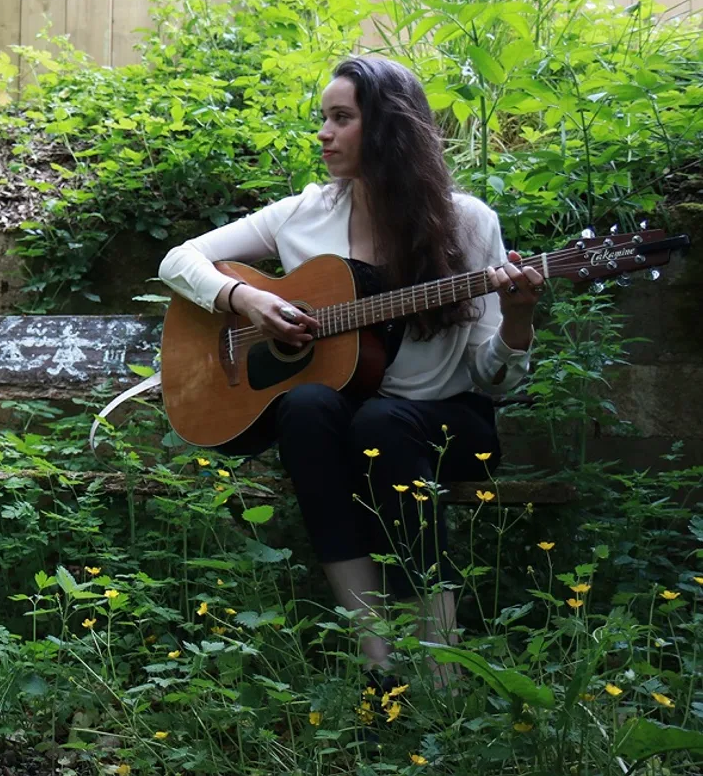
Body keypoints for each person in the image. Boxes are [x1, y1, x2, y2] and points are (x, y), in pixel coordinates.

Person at [157, 56, 544, 678]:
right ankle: (376, 659)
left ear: (388, 127)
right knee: (307, 408)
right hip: (349, 416)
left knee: (385, 423)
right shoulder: (305, 214)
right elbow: (180, 261)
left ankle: (441, 669)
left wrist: (518, 320)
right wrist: (247, 297)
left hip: (446, 424)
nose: (324, 134)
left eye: (341, 118)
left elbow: (492, 377)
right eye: (324, 118)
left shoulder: (468, 223)